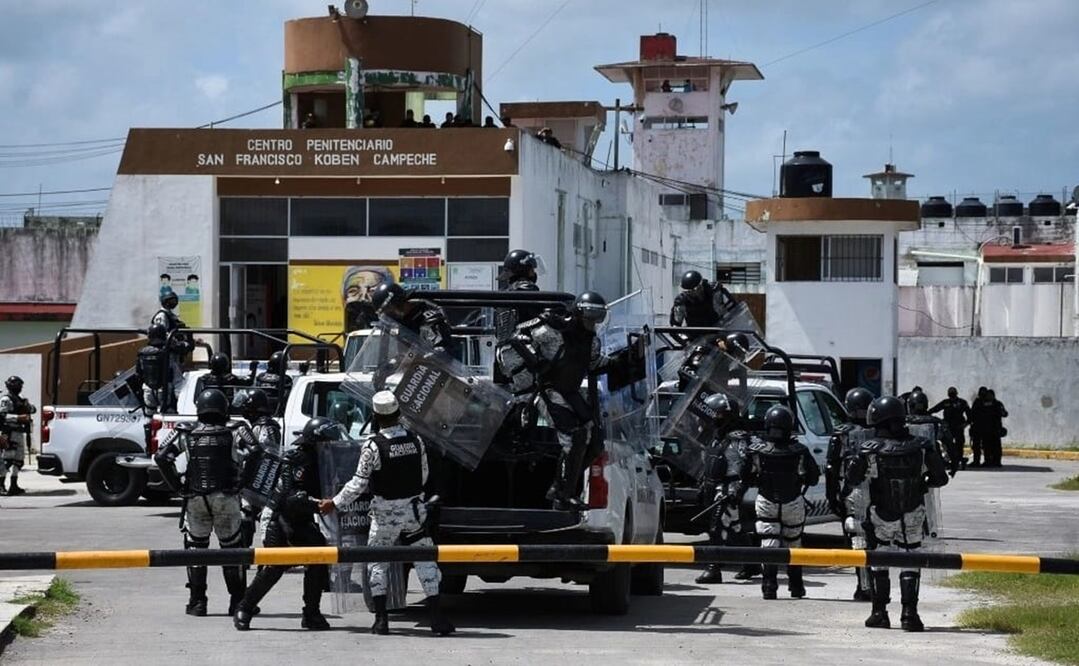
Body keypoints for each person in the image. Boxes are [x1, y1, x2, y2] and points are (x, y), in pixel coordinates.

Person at [319, 392, 454, 636]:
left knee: (377, 563)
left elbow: (359, 484)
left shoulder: (372, 446)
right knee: (425, 561)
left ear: (375, 416)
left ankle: (381, 621)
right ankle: (437, 618)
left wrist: (334, 503)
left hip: (384, 516)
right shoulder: (416, 441)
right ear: (398, 414)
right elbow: (423, 476)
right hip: (414, 513)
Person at [507, 292, 626, 509]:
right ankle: (563, 494)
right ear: (579, 313)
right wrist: (535, 360)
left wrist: (622, 361)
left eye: (598, 318)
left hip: (570, 391)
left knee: (595, 442)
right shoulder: (553, 330)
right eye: (590, 317)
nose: (593, 323)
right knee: (574, 436)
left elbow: (593, 364)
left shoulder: (591, 340)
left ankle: (562, 484)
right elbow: (517, 338)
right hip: (546, 390)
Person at [847, 396, 949, 631]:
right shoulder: (922, 446)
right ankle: (909, 614)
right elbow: (941, 478)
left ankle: (880, 612)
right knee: (911, 558)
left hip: (881, 514)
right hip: (914, 511)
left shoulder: (869, 448)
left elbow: (853, 478)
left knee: (879, 559)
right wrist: (921, 482)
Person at [233, 417, 335, 631]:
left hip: (302, 518)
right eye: (328, 442)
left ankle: (311, 613)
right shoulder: (295, 460)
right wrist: (319, 504)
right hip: (279, 517)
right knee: (274, 567)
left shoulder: (324, 460)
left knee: (319, 559)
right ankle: (244, 607)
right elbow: (291, 497)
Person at [154, 389, 247, 617]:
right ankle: (237, 602)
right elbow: (256, 451)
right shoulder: (236, 429)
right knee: (232, 551)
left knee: (196, 549)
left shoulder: (186, 431)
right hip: (226, 498)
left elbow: (161, 456)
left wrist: (177, 486)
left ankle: (197, 602)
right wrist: (241, 483)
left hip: (195, 498)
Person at [740, 404, 821, 600]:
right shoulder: (800, 450)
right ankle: (796, 587)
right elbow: (813, 477)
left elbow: (746, 476)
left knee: (768, 544)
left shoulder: (757, 451)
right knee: (794, 544)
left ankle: (769, 587)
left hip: (766, 501)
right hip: (793, 501)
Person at [695, 393, 754, 584]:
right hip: (714, 486)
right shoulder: (716, 435)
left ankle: (714, 568)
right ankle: (752, 564)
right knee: (735, 528)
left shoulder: (737, 438)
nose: (714, 418)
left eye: (719, 414)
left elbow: (742, 465)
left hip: (727, 487)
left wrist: (735, 489)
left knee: (716, 528)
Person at [825, 387, 875, 601]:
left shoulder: (842, 433)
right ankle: (871, 585)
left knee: (857, 538)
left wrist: (832, 496)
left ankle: (864, 586)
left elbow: (831, 468)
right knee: (874, 539)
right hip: (875, 491)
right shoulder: (879, 431)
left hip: (853, 492)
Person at [370, 282, 455, 355]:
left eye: (389, 312)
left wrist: (430, 356)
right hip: (412, 371)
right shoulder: (403, 324)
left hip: (435, 371)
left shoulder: (427, 319)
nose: (390, 317)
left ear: (398, 304)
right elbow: (403, 355)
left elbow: (442, 352)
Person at [907, 391, 959, 477]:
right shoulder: (937, 423)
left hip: (908, 464)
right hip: (931, 466)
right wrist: (954, 465)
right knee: (941, 479)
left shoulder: (902, 422)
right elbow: (950, 445)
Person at [0, 376, 36, 496]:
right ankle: (1, 485)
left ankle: (14, 485)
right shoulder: (6, 399)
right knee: (7, 460)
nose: (19, 387)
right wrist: (18, 417)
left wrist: (28, 406)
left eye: (20, 385)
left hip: (19, 433)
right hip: (9, 433)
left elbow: (32, 409)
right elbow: (2, 416)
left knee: (18, 460)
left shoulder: (19, 399)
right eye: (17, 385)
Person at [669, 270, 735, 328]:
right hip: (696, 338)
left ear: (701, 284)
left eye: (697, 289)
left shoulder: (716, 291)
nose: (693, 293)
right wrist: (685, 340)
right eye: (689, 292)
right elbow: (676, 326)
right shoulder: (681, 301)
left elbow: (734, 310)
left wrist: (733, 327)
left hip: (720, 331)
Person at [929, 387, 971, 469]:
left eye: (953, 392)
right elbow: (935, 409)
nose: (951, 394)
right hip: (948, 427)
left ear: (956, 393)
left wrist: (966, 424)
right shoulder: (946, 402)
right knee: (947, 444)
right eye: (950, 392)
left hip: (958, 427)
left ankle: (959, 459)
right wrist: (926, 413)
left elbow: (969, 414)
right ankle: (949, 459)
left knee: (959, 444)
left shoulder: (962, 402)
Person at [136, 323, 173, 412]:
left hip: (148, 390)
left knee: (149, 417)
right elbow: (173, 370)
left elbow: (138, 372)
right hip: (164, 390)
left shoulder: (142, 353)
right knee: (167, 416)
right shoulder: (166, 352)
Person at [972, 389, 1008, 468]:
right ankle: (987, 461)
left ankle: (997, 461)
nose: (988, 397)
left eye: (990, 395)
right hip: (985, 429)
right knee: (986, 446)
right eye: (987, 395)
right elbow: (977, 414)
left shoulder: (997, 404)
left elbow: (1005, 413)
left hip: (995, 429)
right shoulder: (983, 403)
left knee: (996, 446)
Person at [254, 351, 293, 415]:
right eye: (285, 363)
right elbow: (286, 397)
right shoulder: (285, 379)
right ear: (281, 365)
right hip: (276, 411)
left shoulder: (260, 376)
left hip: (260, 409)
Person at [968, 386, 989, 466]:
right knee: (977, 445)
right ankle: (977, 461)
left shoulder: (987, 402)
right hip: (978, 427)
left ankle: (985, 461)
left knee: (985, 445)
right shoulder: (978, 402)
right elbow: (972, 414)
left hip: (984, 427)